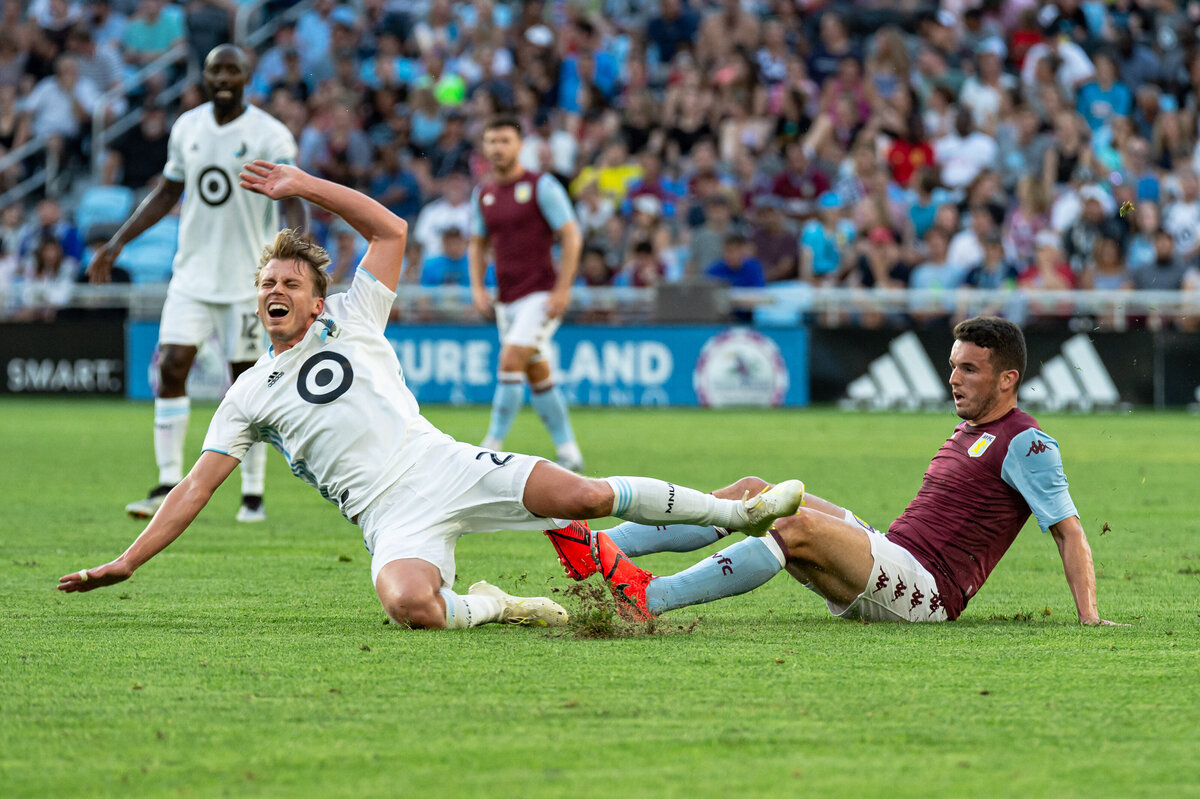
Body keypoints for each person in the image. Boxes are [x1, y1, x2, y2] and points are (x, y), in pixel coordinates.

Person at [57, 160, 806, 632]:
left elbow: (389, 230)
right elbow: (194, 486)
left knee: (577, 493)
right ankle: (502, 605)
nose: (274, 291)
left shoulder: (354, 316)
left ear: (318, 300)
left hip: (443, 463)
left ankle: (737, 511)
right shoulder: (248, 393)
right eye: (266, 285)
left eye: (290, 282)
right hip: (389, 514)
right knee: (408, 605)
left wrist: (303, 185)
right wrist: (128, 562)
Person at [546, 317, 1122, 627]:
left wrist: (1090, 620)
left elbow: (1069, 530)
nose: (954, 379)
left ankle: (650, 600)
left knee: (791, 530)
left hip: (927, 591)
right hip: (892, 550)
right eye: (952, 367)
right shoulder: (969, 428)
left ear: (1007, 379)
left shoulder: (1028, 442)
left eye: (970, 370)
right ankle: (596, 547)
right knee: (756, 494)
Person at [87, 45, 307, 523]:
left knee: (249, 385)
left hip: (250, 280)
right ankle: (167, 483)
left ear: (248, 76)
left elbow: (293, 197)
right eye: (215, 70)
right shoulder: (187, 127)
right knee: (171, 367)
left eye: (232, 69)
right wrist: (118, 243)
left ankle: (252, 493)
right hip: (190, 276)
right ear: (204, 77)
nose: (223, 77)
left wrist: (297, 255)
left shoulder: (270, 134)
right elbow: (167, 192)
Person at [469, 116, 586, 472]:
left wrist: (563, 289)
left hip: (541, 293)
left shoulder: (542, 186)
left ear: (520, 146)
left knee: (510, 361)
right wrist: (477, 287)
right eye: (491, 141)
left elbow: (571, 235)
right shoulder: (484, 193)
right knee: (537, 372)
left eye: (505, 141)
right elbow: (477, 243)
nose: (497, 148)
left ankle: (490, 447)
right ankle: (569, 451)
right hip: (507, 297)